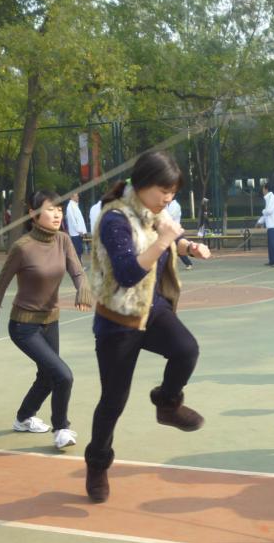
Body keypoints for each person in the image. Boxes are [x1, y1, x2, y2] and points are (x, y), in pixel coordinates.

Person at [84, 150, 212, 503]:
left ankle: (167, 403)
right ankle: (97, 463)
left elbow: (166, 239)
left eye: (173, 192)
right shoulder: (114, 219)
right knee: (113, 401)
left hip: (151, 310)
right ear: (142, 185)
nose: (168, 198)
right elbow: (127, 272)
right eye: (164, 190)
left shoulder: (153, 211)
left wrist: (188, 246)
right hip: (118, 319)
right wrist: (165, 241)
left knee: (186, 350)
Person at [0, 190, 93, 452]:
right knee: (63, 375)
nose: (57, 214)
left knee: (47, 376)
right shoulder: (23, 247)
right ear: (33, 213)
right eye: (50, 209)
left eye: (59, 209)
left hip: (50, 321)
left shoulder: (63, 240)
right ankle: (61, 428)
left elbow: (77, 271)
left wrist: (83, 288)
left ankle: (23, 418)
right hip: (24, 326)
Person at [256, 183, 274, 267]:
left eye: (263, 188)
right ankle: (272, 261)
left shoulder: (271, 198)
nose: (262, 190)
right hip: (271, 225)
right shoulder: (268, 198)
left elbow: (268, 211)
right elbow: (266, 214)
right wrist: (259, 222)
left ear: (266, 189)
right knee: (270, 244)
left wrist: (263, 211)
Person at [167, 198, 193, 269]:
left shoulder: (176, 205)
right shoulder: (165, 205)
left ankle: (188, 263)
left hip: (175, 230)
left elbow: (169, 216)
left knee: (178, 247)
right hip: (167, 230)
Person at [65, 190, 88, 257]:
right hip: (75, 234)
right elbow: (73, 221)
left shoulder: (75, 206)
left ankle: (79, 263)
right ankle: (78, 264)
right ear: (71, 197)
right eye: (76, 196)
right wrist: (79, 230)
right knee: (77, 252)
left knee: (79, 251)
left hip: (78, 233)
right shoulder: (70, 207)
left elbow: (79, 220)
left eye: (77, 196)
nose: (78, 197)